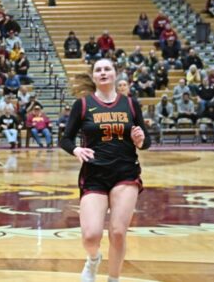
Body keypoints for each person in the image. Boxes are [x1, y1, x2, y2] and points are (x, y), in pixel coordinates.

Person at [61, 58, 150, 282]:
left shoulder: (130, 104)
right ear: (93, 76)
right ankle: (93, 259)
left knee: (118, 232)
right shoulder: (82, 105)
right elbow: (65, 139)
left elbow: (146, 140)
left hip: (125, 173)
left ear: (115, 74)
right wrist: (76, 150)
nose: (103, 72)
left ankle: (113, 278)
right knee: (91, 236)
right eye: (98, 70)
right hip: (94, 174)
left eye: (107, 69)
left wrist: (140, 141)